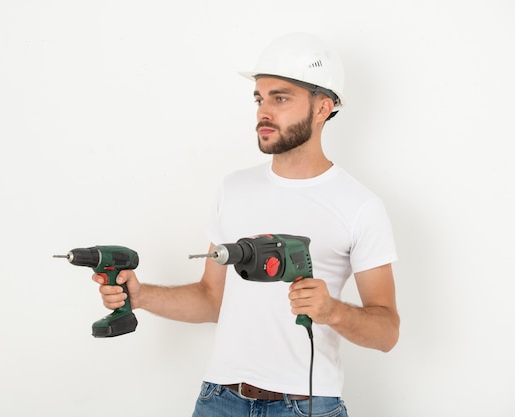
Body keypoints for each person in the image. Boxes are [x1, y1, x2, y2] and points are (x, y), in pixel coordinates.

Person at [94, 32, 399, 417]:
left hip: (305, 404)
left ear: (323, 108)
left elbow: (387, 332)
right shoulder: (234, 188)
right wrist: (140, 295)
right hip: (219, 399)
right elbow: (211, 297)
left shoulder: (360, 205)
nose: (263, 112)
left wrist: (331, 311)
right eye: (259, 98)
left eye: (281, 98)